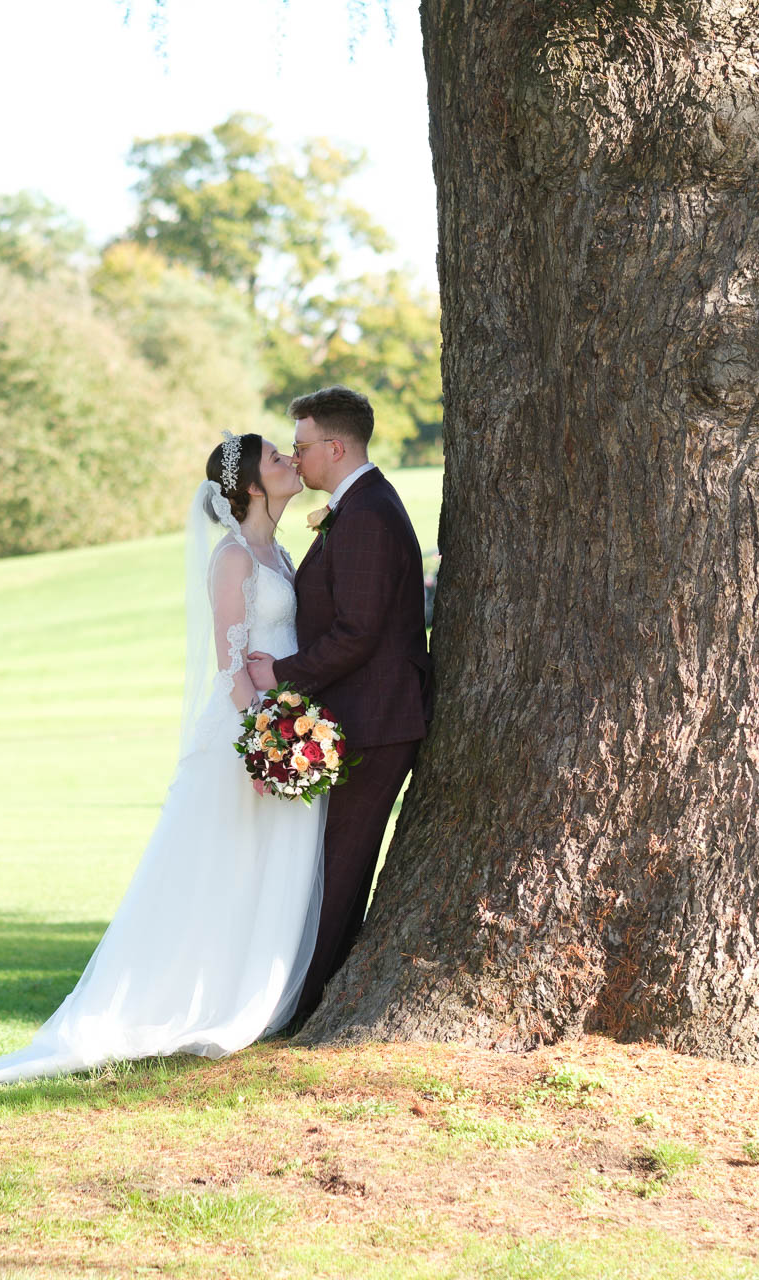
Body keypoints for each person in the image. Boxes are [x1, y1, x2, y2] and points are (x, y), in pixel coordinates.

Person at [0, 433, 326, 1093]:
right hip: (249, 733)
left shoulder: (279, 550)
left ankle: (252, 990)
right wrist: (266, 738)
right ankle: (195, 1000)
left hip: (284, 724)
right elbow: (230, 663)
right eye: (276, 458)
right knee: (222, 865)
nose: (289, 463)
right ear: (252, 485)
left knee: (265, 864)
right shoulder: (232, 560)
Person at [247, 386, 431, 1026]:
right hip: (359, 715)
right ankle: (309, 999)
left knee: (339, 871)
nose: (294, 459)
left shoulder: (369, 514)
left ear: (335, 446)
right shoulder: (353, 509)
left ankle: (303, 1008)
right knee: (329, 869)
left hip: (376, 720)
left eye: (300, 447)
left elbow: (358, 631)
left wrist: (282, 675)